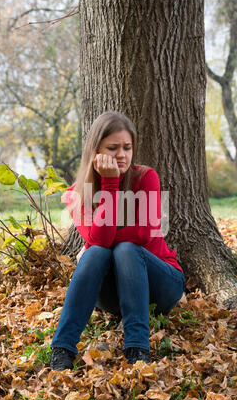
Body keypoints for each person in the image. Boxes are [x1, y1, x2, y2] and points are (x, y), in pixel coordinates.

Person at [50, 111, 185, 371]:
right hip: (113, 295)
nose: (121, 155)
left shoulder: (146, 178)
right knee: (95, 254)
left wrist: (97, 241)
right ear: (95, 151)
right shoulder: (76, 194)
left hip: (162, 283)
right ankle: (62, 348)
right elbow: (99, 241)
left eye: (127, 147)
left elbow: (145, 233)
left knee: (121, 249)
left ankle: (137, 348)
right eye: (112, 148)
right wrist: (110, 184)